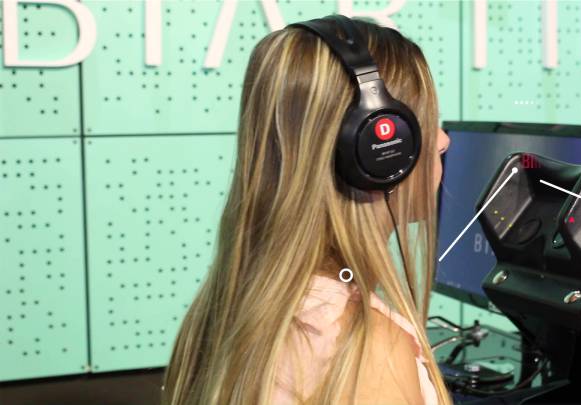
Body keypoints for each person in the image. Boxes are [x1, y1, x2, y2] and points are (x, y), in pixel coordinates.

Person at [160, 15, 451, 405]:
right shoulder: (368, 353)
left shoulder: (227, 307)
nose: (443, 140)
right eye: (425, 121)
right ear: (378, 150)